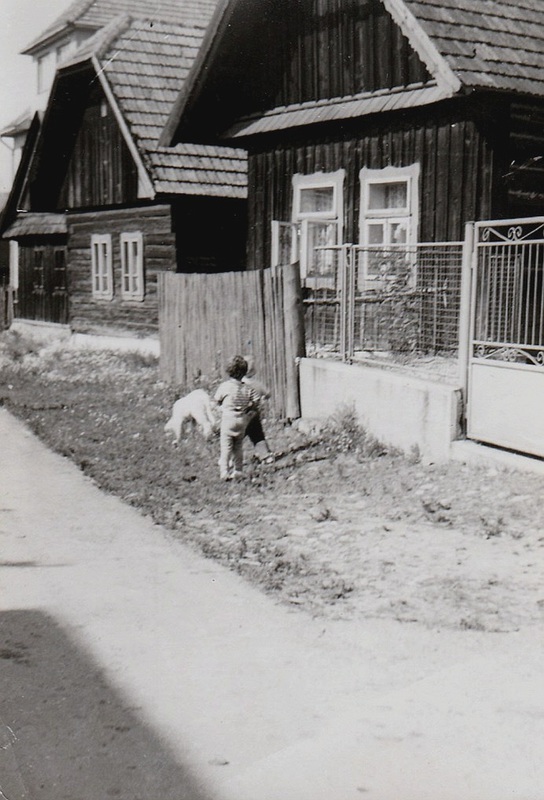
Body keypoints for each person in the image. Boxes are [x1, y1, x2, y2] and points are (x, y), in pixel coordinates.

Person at [214, 355, 260, 480]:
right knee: (238, 446)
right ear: (244, 372)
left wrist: (221, 406)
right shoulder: (247, 388)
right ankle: (238, 470)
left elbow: (217, 399)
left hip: (228, 419)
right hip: (241, 420)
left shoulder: (225, 386)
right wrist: (250, 408)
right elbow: (257, 400)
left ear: (228, 371)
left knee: (226, 447)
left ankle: (224, 471)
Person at [242, 354, 274, 463]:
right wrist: (263, 397)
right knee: (258, 436)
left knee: (236, 439)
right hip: (254, 415)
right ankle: (265, 456)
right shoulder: (257, 384)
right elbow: (268, 394)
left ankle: (230, 459)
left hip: (240, 415)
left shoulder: (238, 385)